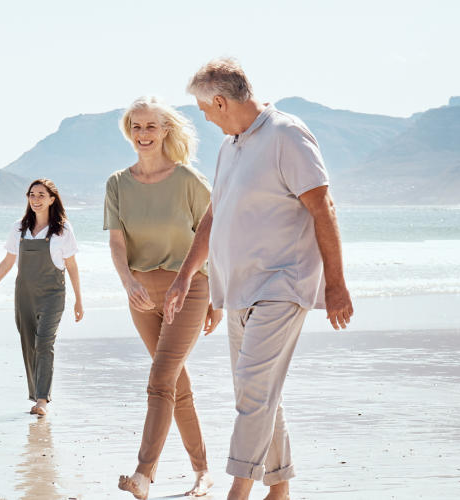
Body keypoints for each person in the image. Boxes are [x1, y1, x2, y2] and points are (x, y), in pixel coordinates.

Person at [163, 57, 356, 500]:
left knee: (252, 388)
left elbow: (322, 206)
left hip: (282, 284)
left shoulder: (286, 134)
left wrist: (336, 284)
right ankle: (280, 487)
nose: (205, 117)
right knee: (259, 389)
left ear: (220, 100)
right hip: (237, 289)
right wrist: (185, 275)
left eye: (205, 108)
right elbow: (214, 215)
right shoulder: (230, 146)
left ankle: (240, 491)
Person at [104, 96, 224, 499]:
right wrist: (127, 282)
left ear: (165, 130)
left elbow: (215, 239)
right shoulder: (117, 183)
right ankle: (203, 470)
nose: (143, 134)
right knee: (177, 384)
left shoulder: (189, 181)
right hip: (141, 295)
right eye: (136, 127)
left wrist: (219, 296)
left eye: (151, 126)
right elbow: (117, 242)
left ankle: (143, 474)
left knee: (160, 379)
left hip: (188, 291)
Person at [0, 179, 84, 417]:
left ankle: (42, 400)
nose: (35, 199)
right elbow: (7, 262)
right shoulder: (19, 228)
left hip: (53, 295)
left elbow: (72, 266)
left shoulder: (63, 229)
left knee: (44, 344)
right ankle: (36, 396)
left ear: (52, 199)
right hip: (24, 295)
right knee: (29, 346)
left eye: (41, 195)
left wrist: (78, 299)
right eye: (32, 195)